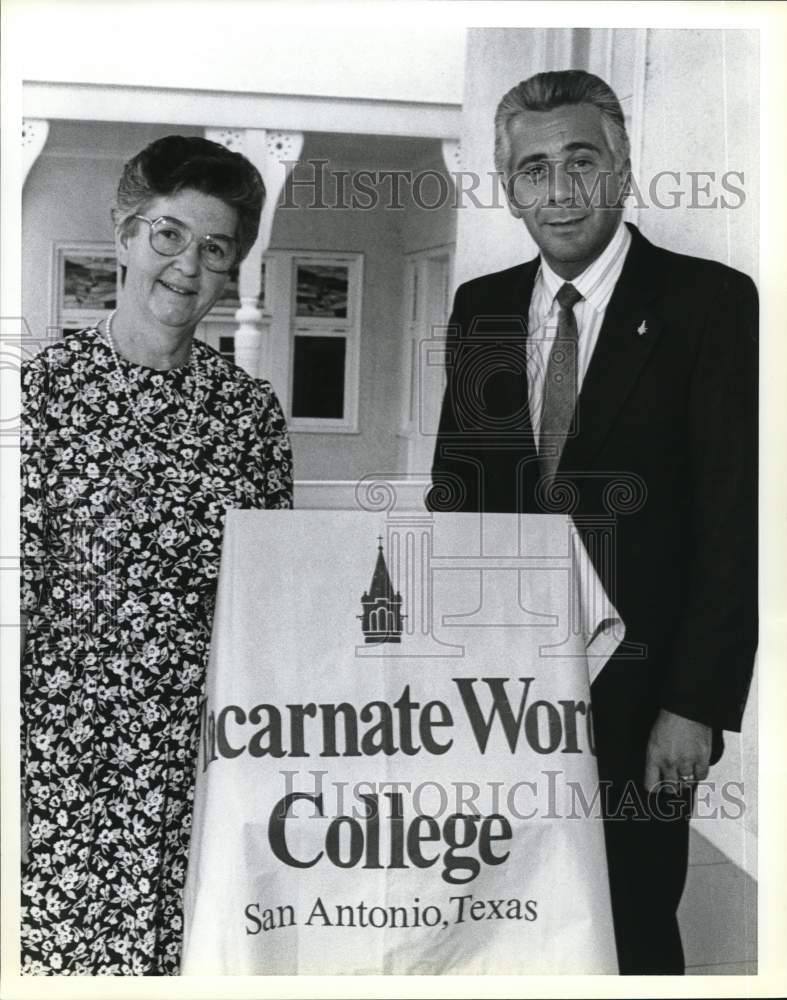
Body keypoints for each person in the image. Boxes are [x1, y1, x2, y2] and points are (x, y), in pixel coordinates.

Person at [428, 70, 757, 974]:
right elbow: (455, 495)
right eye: (532, 170)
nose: (559, 190)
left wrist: (695, 705)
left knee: (631, 921)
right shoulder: (482, 310)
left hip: (643, 699)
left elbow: (737, 519)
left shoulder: (710, 305)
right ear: (508, 190)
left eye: (580, 160)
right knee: (500, 918)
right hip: (498, 694)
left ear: (620, 168)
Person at [20, 135, 293, 975]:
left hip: (201, 764)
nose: (188, 267)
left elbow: (268, 603)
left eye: (216, 250)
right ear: (125, 234)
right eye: (169, 235)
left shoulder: (249, 415)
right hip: (62, 761)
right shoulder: (39, 394)